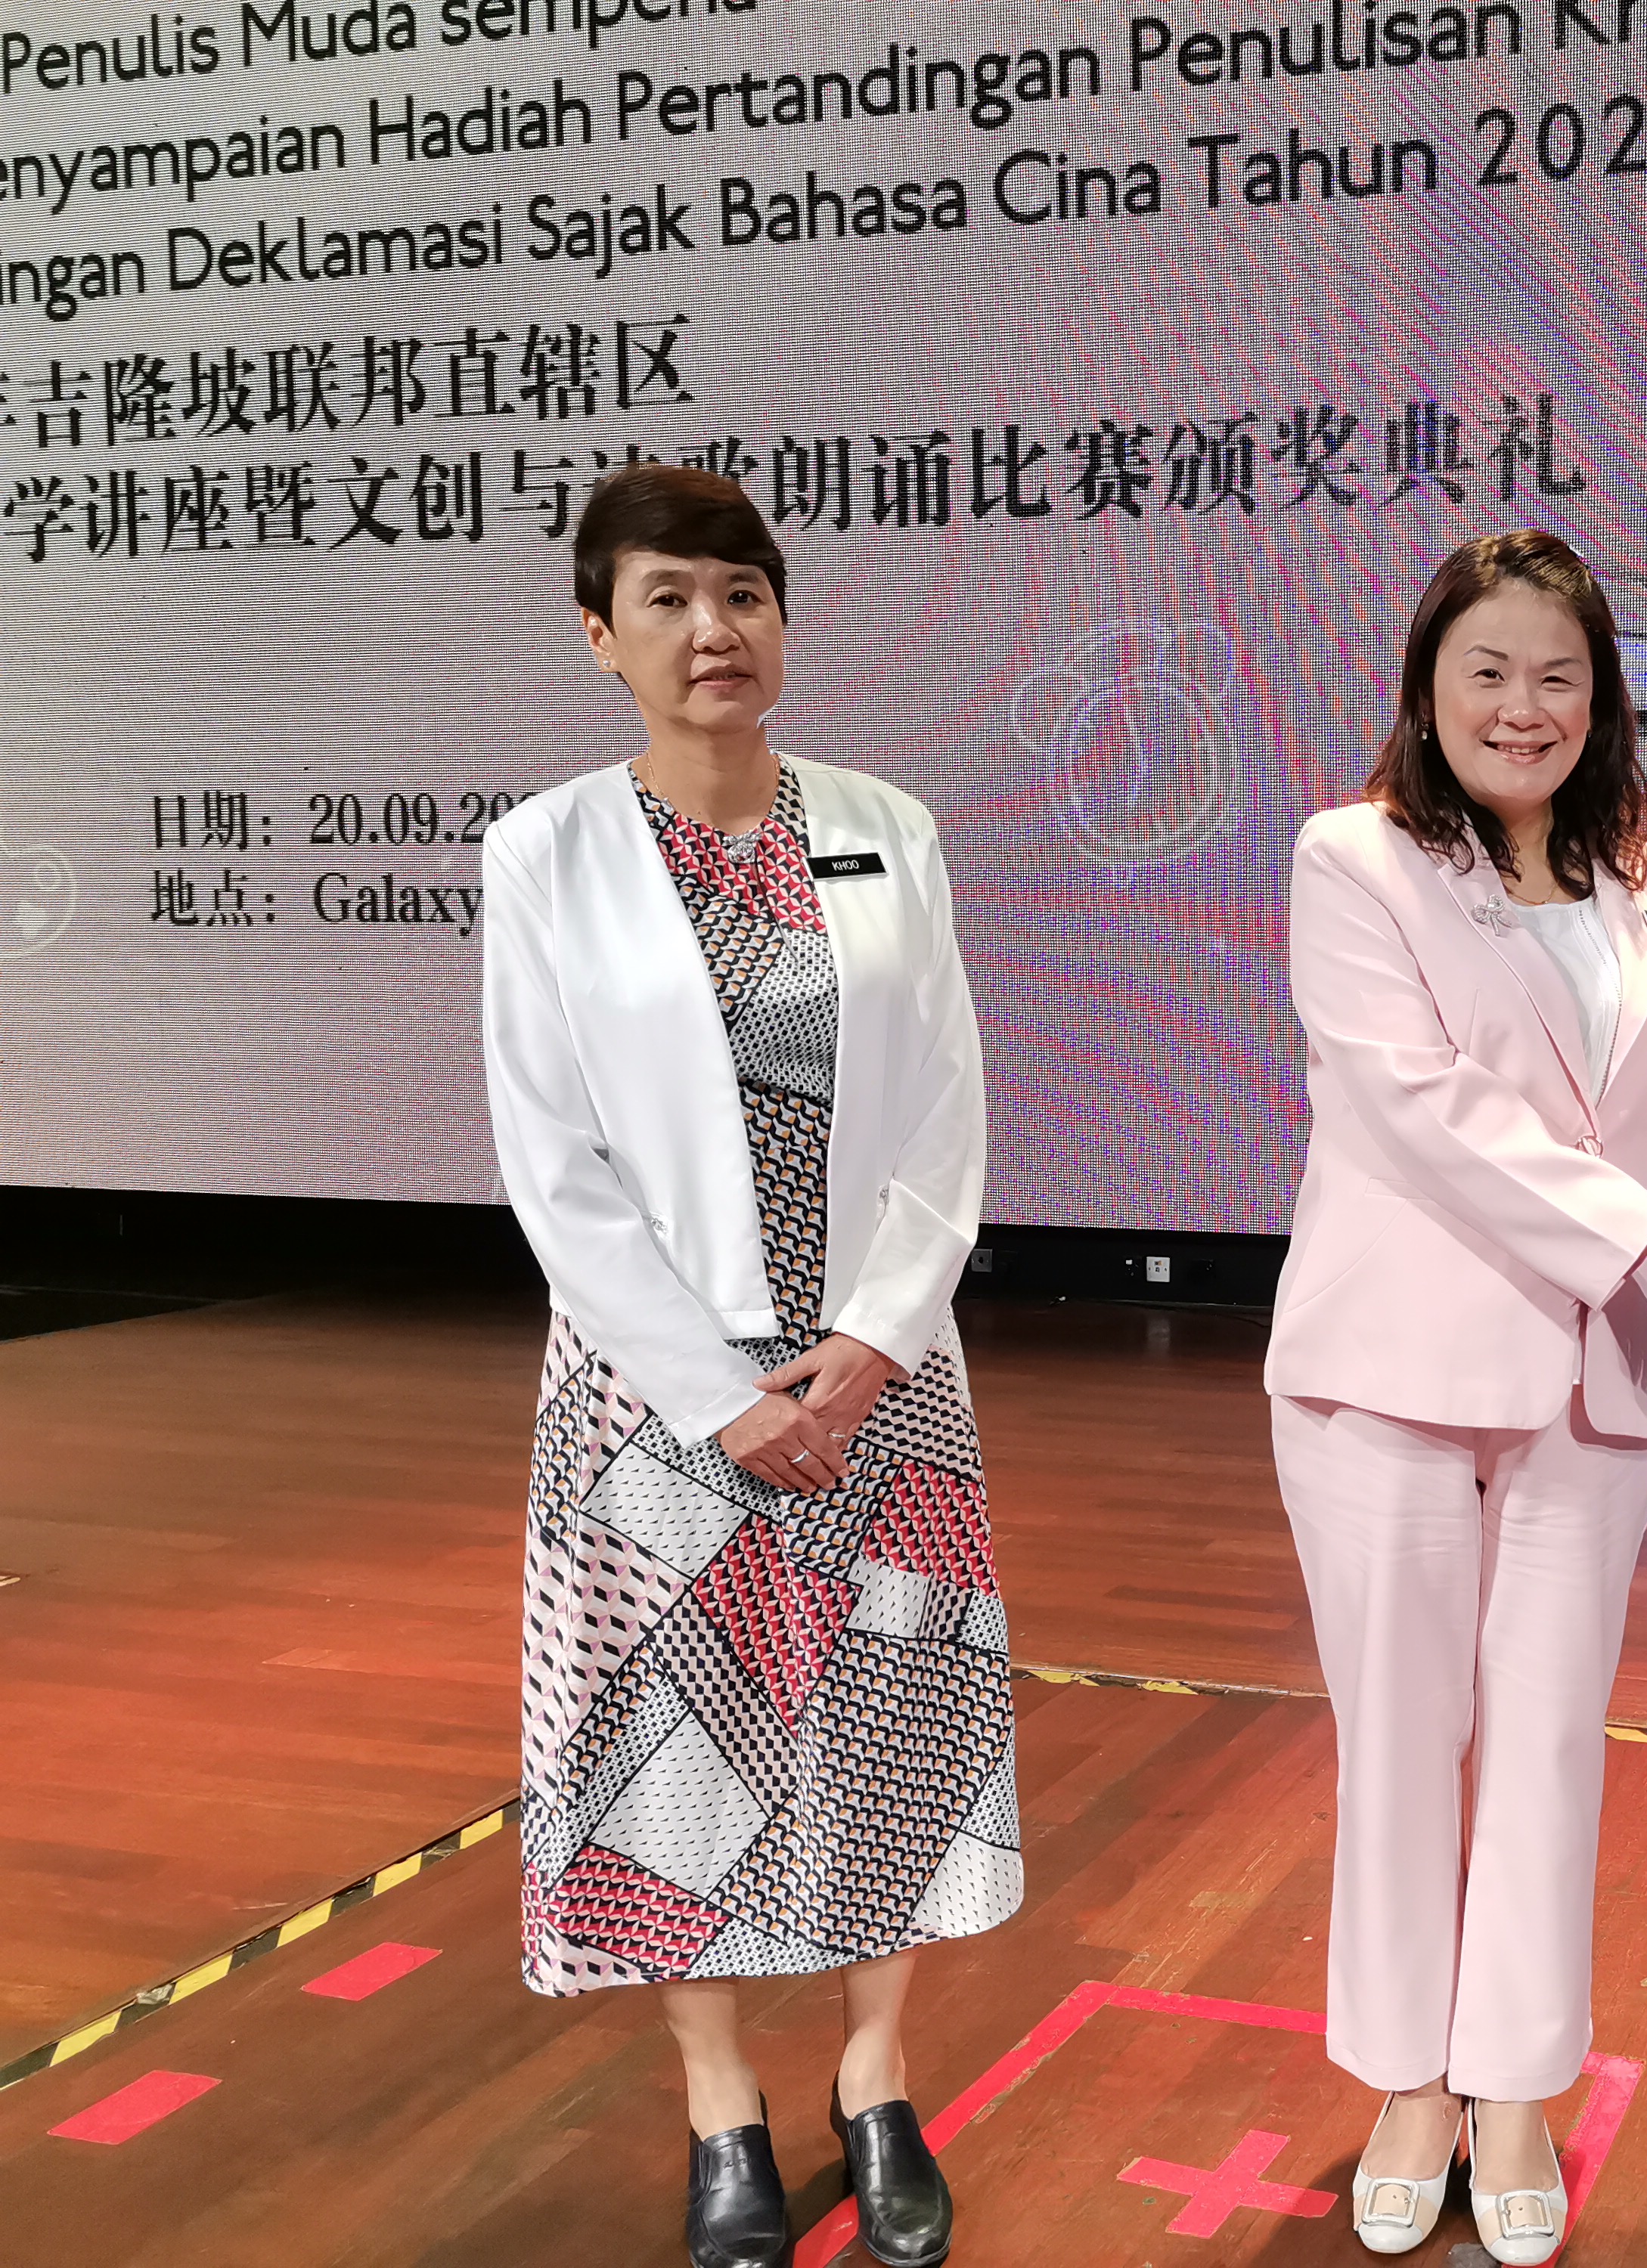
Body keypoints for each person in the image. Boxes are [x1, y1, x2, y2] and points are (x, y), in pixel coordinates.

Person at [483, 464, 1013, 2268]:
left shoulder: (884, 826)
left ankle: (877, 2080)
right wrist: (716, 1392)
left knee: (889, 1723)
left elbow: (946, 1109)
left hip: (881, 1373)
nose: (713, 630)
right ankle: (722, 2109)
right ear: (600, 637)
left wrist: (870, 1339)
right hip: (653, 1394)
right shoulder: (547, 853)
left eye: (743, 594)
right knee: (667, 1754)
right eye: (667, 600)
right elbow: (552, 1160)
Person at [1265, 530, 1647, 2263]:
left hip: (1590, 1380)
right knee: (1402, 1739)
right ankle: (1408, 2084)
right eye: (1487, 671)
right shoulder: (1354, 859)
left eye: (1557, 676)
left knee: (1550, 1742)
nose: (1523, 706)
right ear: (1427, 688)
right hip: (1389, 1372)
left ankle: (1510, 2089)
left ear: (1601, 698)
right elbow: (1423, 1106)